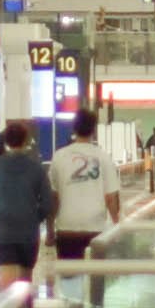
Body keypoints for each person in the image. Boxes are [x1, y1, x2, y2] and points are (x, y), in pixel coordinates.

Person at [0, 117, 57, 281]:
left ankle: (9, 305)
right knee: (25, 280)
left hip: (4, 232)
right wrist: (35, 218)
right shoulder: (36, 168)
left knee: (7, 281)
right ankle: (25, 306)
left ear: (6, 141)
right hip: (28, 233)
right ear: (26, 140)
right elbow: (48, 202)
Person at [48, 109, 116, 264]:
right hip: (96, 228)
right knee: (96, 280)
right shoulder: (103, 157)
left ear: (73, 128)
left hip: (66, 227)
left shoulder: (59, 156)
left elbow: (53, 197)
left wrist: (50, 229)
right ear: (94, 129)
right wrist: (118, 227)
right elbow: (111, 198)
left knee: (69, 280)